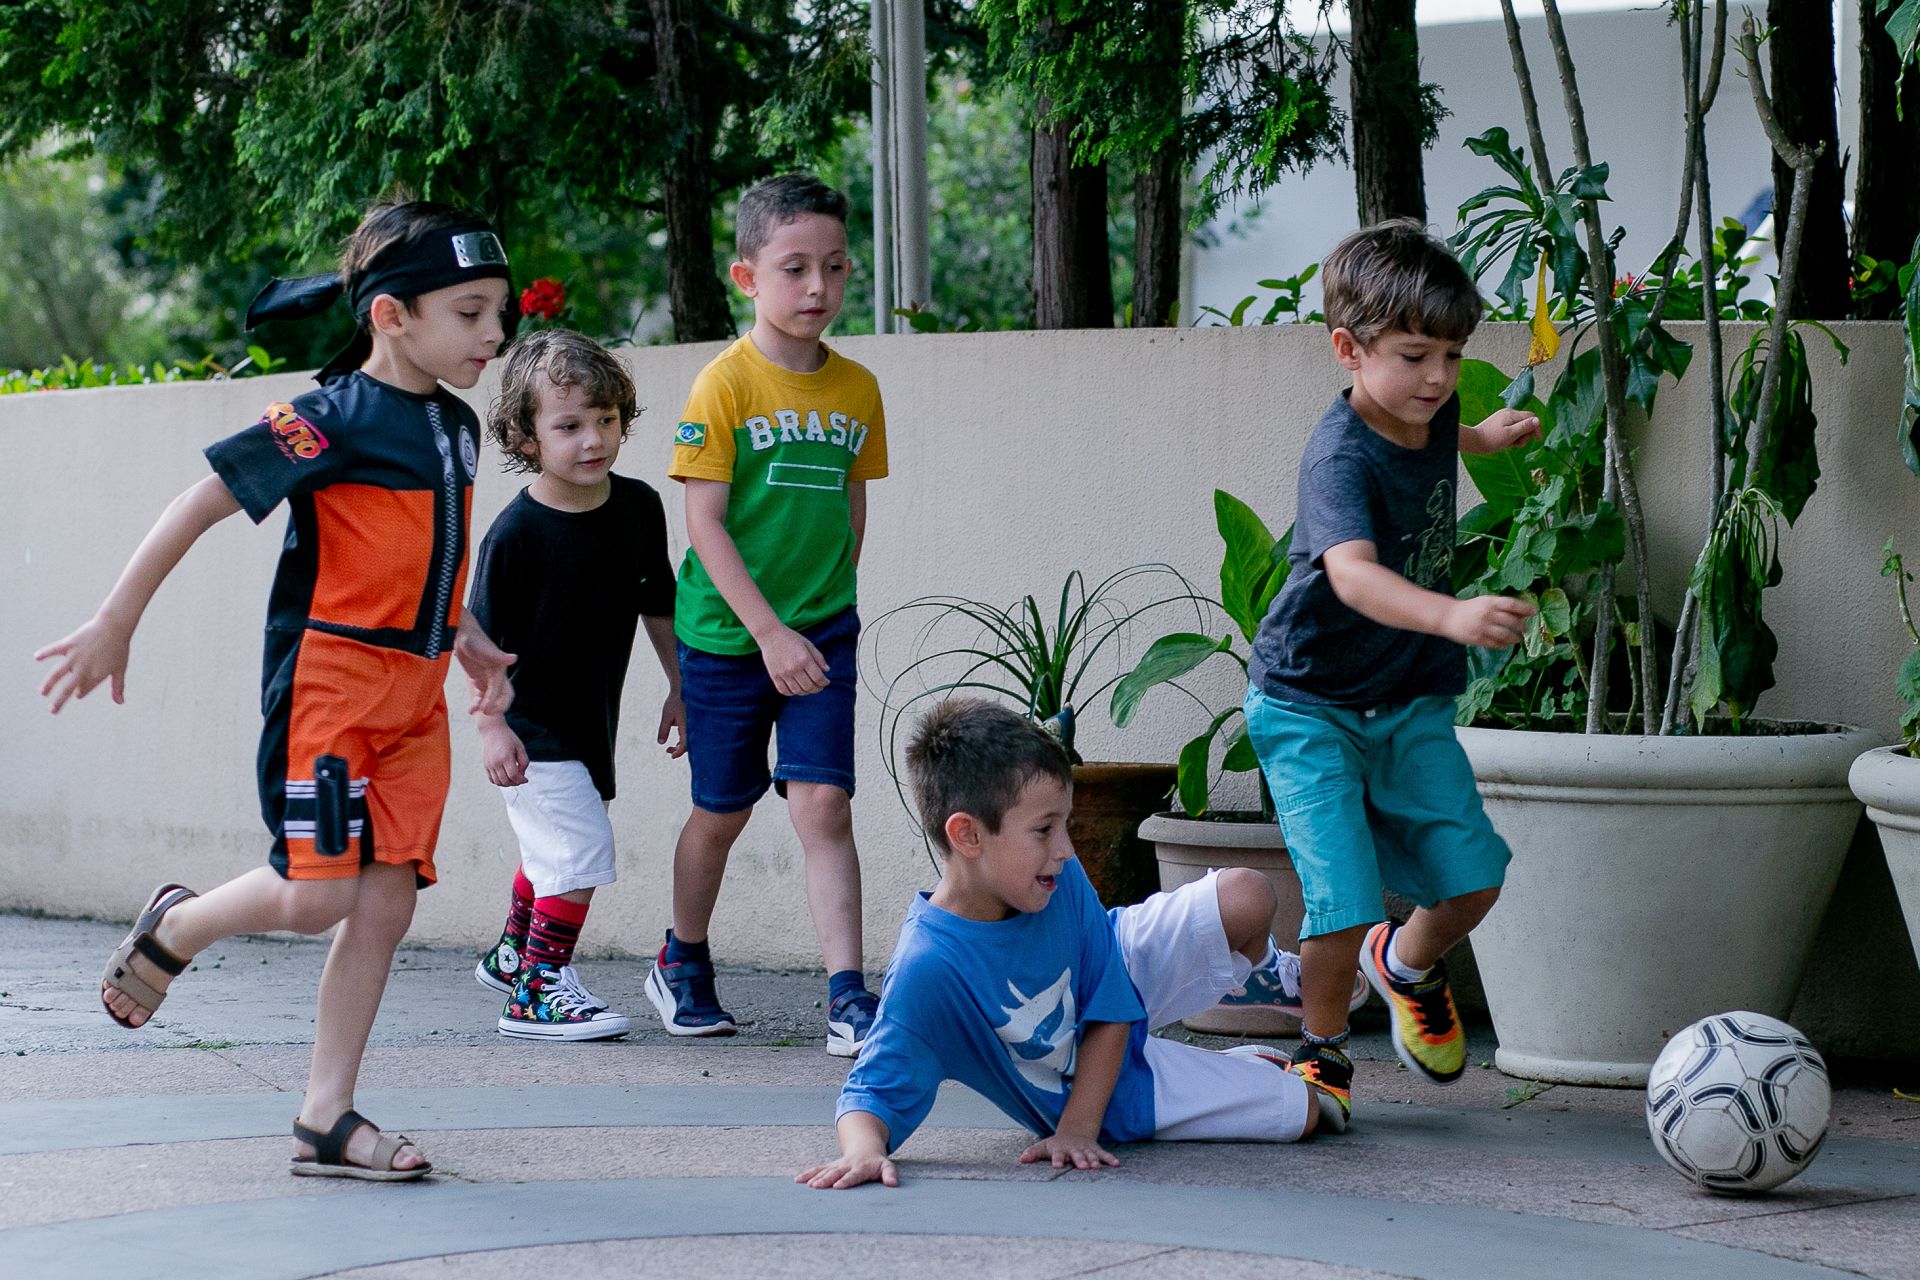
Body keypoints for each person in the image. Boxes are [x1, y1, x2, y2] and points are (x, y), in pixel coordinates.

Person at [34, 199, 519, 1180]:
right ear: (391, 315)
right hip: (332, 689)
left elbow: (431, 554)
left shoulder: (460, 426)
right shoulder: (326, 418)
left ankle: (325, 1117)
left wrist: (465, 638)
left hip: (416, 698)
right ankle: (179, 924)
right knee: (315, 894)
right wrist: (117, 619)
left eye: (499, 312)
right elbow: (200, 500)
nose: (494, 334)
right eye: (470, 313)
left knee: (384, 904)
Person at [1239, 218, 1541, 1133]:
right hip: (1308, 705)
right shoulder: (1338, 457)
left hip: (1405, 699)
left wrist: (1485, 436)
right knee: (1340, 905)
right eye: (1415, 356)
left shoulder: (1430, 409)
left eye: (1452, 355)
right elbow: (1352, 575)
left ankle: (1404, 962)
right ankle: (1322, 1051)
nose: (1439, 377)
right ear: (1349, 350)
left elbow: (1448, 435)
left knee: (1475, 878)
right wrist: (1452, 615)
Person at [796, 699, 1328, 1190]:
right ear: (968, 835)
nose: (1067, 849)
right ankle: (1243, 1061)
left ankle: (1243, 978)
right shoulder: (929, 969)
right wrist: (864, 1150)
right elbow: (872, 1090)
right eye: (1045, 830)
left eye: (1065, 825)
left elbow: (1110, 1001)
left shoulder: (1055, 878)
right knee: (1305, 1109)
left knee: (1248, 894)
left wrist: (1077, 1129)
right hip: (1104, 1087)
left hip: (1111, 976)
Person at [648, 174, 887, 1057]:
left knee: (824, 805)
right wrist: (769, 633)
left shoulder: (858, 389)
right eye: (795, 268)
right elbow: (703, 525)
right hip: (727, 637)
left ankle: (848, 996)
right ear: (748, 277)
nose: (818, 286)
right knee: (723, 809)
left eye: (835, 266)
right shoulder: (723, 386)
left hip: (822, 631)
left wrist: (820, 610)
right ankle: (682, 959)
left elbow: (850, 507)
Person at [468, 329, 685, 1041]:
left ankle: (512, 953)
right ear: (524, 437)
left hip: (590, 721)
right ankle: (537, 989)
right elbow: (479, 643)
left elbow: (659, 603)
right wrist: (490, 727)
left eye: (606, 419)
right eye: (568, 426)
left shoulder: (639, 507)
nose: (593, 439)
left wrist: (680, 686)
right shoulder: (515, 534)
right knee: (579, 848)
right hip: (528, 725)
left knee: (555, 846)